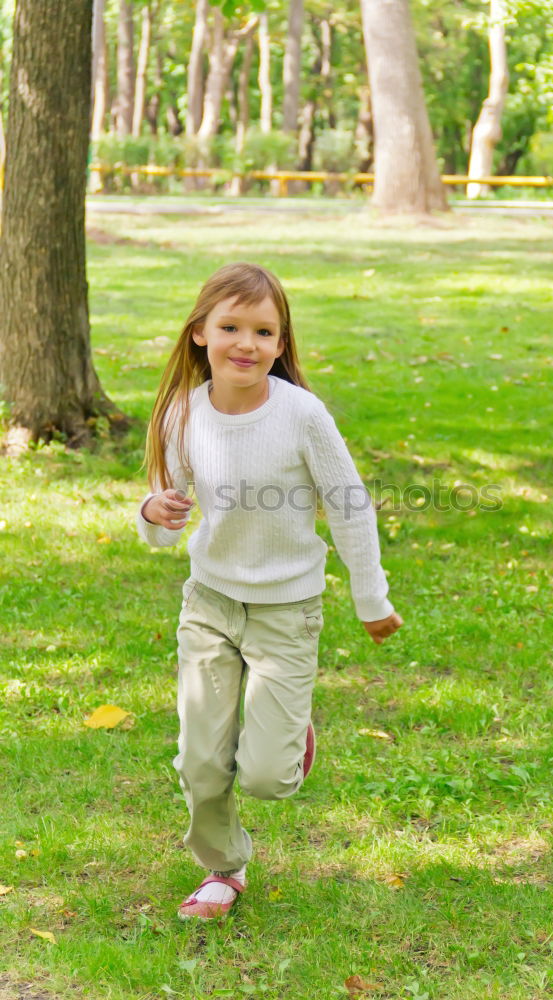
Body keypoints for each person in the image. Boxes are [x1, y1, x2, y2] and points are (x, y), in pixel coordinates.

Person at [136, 262, 403, 920]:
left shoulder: (301, 416)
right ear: (200, 333)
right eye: (230, 327)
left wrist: (371, 600)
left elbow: (349, 507)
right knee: (201, 760)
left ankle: (291, 738)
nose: (246, 344)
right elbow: (167, 525)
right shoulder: (183, 412)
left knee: (265, 776)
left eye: (263, 331)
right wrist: (152, 515)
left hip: (287, 611)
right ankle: (223, 868)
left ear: (281, 345)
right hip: (210, 606)